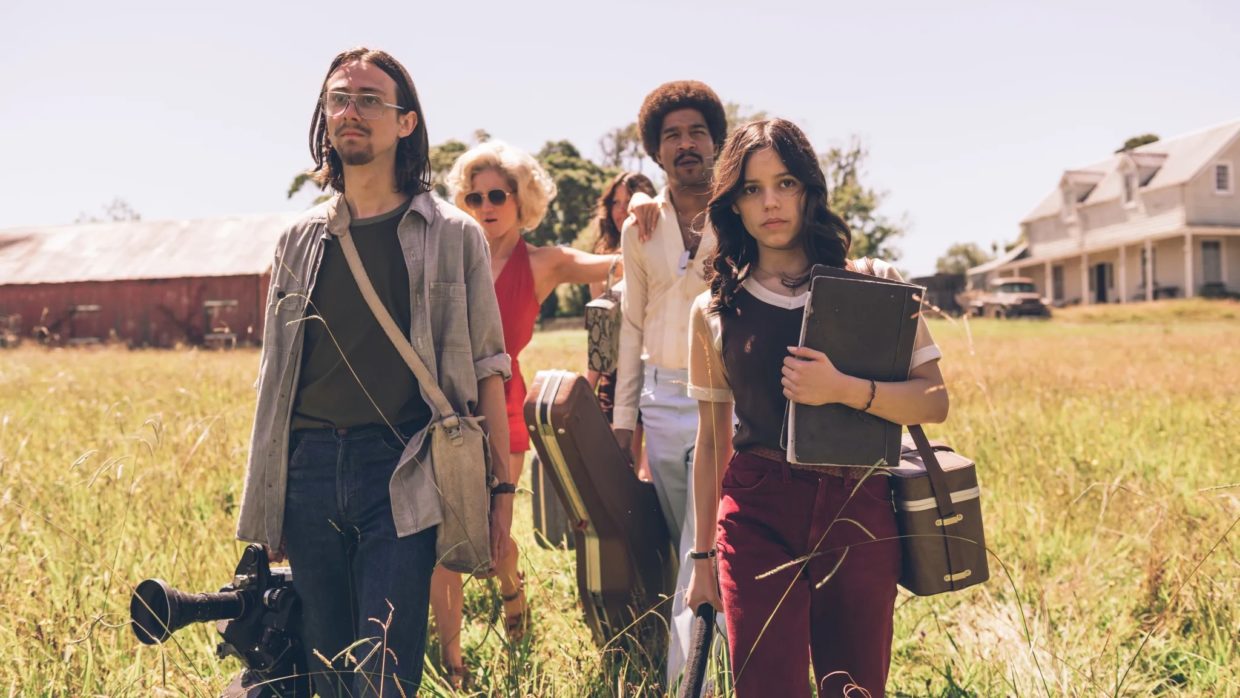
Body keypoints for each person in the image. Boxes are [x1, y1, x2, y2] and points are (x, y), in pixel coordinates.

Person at [234, 47, 514, 696]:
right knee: (325, 674)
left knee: (385, 674)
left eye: (368, 100)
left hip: (403, 468)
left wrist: (500, 493)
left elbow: (488, 368)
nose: (350, 111)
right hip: (306, 472)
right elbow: (273, 381)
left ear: (405, 123)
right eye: (338, 98)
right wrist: (267, 501)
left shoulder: (454, 235)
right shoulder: (298, 239)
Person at [684, 119, 949, 697]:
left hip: (858, 507)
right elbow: (711, 442)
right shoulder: (714, 308)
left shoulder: (873, 282)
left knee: (854, 688)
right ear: (733, 203)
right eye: (752, 189)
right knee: (767, 687)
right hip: (756, 509)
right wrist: (701, 560)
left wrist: (842, 389)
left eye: (785, 184)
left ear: (810, 189)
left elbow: (934, 400)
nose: (771, 203)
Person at [430, 140, 621, 685]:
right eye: (474, 196)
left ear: (521, 201)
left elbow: (622, 266)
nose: (486, 206)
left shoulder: (542, 263)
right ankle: (452, 663)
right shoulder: (447, 260)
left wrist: (651, 223)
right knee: (444, 543)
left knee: (494, 542)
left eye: (497, 195)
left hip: (504, 411)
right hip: (443, 410)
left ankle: (511, 591)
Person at [612, 80, 728, 687]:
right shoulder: (642, 225)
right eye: (672, 136)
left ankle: (693, 682)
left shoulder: (741, 215)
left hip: (724, 402)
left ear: (716, 142)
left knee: (703, 547)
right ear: (657, 152)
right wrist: (624, 426)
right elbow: (631, 325)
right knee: (689, 545)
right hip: (658, 401)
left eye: (697, 134)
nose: (686, 146)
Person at [588, 172, 657, 479]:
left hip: (653, 364)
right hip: (613, 371)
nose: (620, 209)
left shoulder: (659, 251)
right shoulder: (600, 260)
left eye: (628, 200)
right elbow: (598, 331)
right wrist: (585, 385)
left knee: (650, 466)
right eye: (615, 202)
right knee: (616, 464)